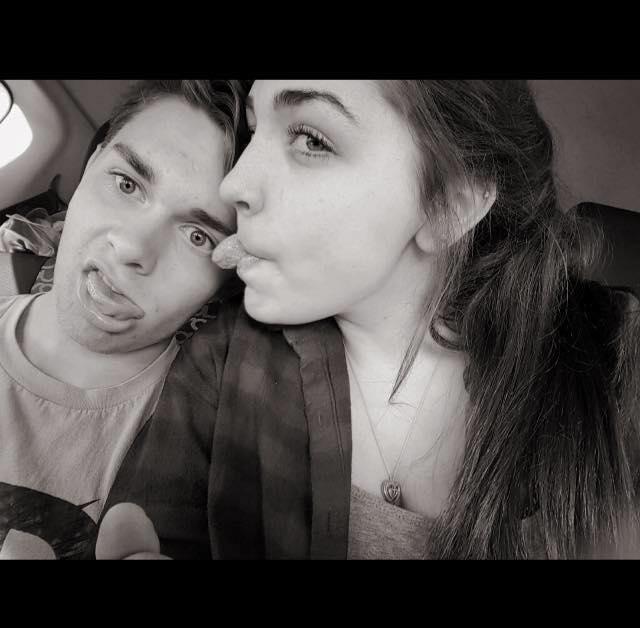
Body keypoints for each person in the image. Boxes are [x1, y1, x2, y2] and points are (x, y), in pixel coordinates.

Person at [101, 79, 640, 559]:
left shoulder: (618, 366)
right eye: (255, 129)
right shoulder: (221, 363)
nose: (234, 185)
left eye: (311, 139)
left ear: (451, 205)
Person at [0, 79, 247, 560]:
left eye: (197, 236)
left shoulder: (206, 452)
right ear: (90, 166)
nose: (134, 247)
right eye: (127, 184)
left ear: (224, 279)